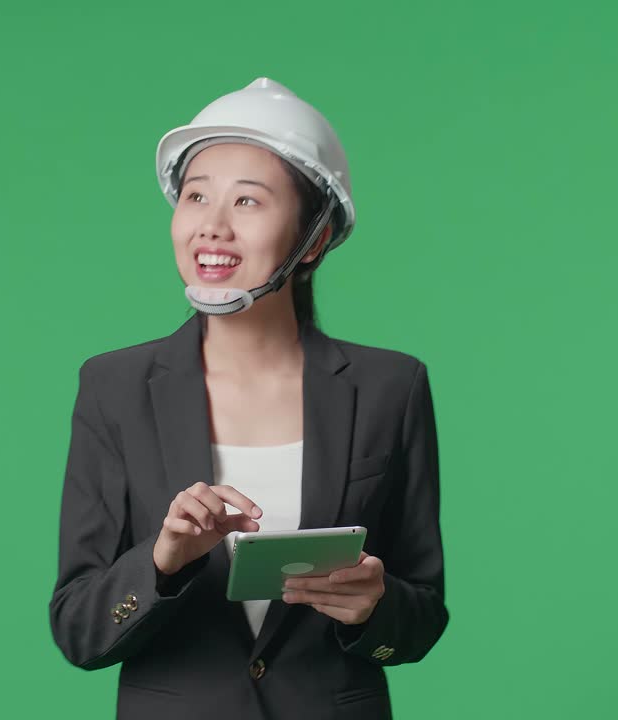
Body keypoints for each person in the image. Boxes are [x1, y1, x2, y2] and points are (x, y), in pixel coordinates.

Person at [49, 77, 447, 720]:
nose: (212, 225)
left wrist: (375, 607)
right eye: (196, 196)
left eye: (248, 202)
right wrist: (162, 561)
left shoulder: (390, 388)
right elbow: (79, 632)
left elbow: (422, 617)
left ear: (313, 239)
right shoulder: (113, 387)